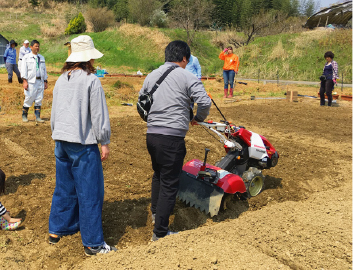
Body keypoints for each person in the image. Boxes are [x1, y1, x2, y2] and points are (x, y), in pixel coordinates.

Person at [49, 35, 116, 256]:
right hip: (82, 143)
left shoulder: (60, 79)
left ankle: (58, 229)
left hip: (61, 140)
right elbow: (98, 115)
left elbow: (54, 113)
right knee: (90, 192)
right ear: (89, 58)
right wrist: (103, 141)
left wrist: (56, 133)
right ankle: (93, 244)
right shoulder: (91, 80)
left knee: (64, 187)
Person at [139, 40, 211, 241]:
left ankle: (156, 213)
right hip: (172, 138)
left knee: (158, 174)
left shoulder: (151, 75)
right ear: (185, 58)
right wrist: (198, 118)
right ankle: (160, 233)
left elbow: (141, 101)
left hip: (152, 135)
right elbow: (204, 101)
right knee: (170, 183)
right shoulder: (187, 76)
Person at [21, 40, 48, 123]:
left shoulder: (41, 57)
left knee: (39, 99)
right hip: (31, 81)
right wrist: (24, 81)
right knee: (29, 97)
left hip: (40, 81)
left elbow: (44, 70)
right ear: (31, 47)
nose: (37, 48)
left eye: (38, 46)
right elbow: (23, 70)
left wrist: (45, 81)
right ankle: (24, 115)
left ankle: (38, 117)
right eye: (36, 46)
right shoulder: (26, 57)